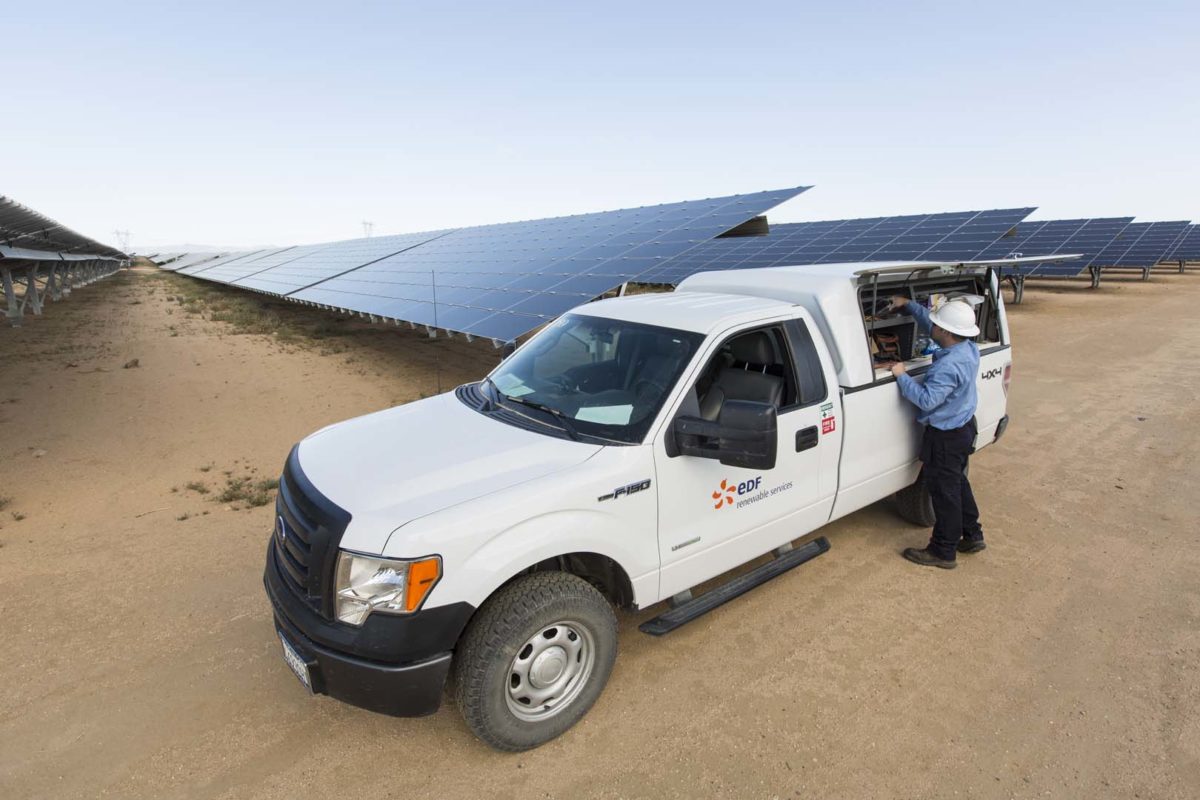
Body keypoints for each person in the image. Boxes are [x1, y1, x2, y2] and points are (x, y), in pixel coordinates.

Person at [887, 295, 986, 569]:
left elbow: (927, 400)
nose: (932, 326)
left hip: (945, 437)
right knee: (958, 485)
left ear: (944, 331)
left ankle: (943, 551)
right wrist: (908, 305)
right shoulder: (968, 348)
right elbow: (931, 324)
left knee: (945, 493)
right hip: (963, 428)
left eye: (936, 323)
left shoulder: (947, 366)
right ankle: (973, 534)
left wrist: (900, 375)